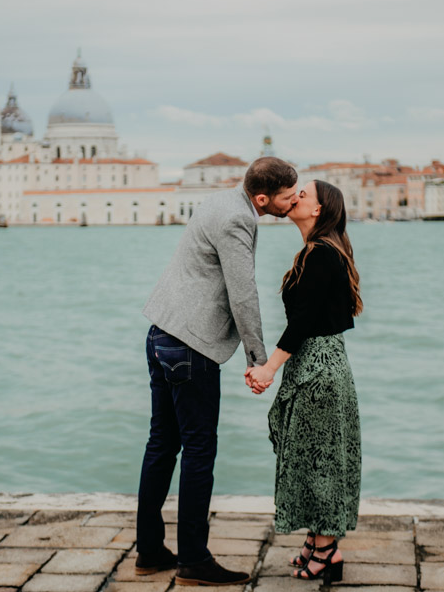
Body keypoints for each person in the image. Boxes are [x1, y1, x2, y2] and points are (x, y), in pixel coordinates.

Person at [136, 157, 298, 586]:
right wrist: (258, 360)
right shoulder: (236, 220)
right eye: (287, 196)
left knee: (162, 444)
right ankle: (193, 559)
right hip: (190, 343)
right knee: (199, 450)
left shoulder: (220, 199)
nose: (293, 200)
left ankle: (150, 552)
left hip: (161, 333)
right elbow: (243, 294)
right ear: (263, 198)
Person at [247, 180, 363, 584]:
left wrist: (268, 368)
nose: (295, 197)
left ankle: (328, 549)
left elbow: (304, 321)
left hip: (319, 368)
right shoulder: (322, 251)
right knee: (315, 456)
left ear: (318, 210)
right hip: (322, 364)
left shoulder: (320, 255)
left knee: (324, 461)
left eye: (304, 194)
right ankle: (318, 540)